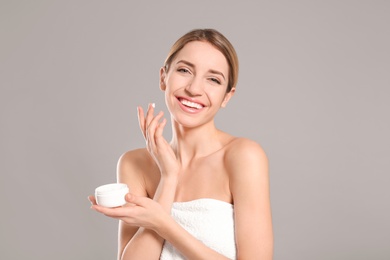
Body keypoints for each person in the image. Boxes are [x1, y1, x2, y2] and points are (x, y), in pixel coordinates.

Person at [89, 28, 273, 260]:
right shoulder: (134, 163)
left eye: (213, 79)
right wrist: (169, 177)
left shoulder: (243, 156)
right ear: (163, 77)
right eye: (185, 70)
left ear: (227, 96)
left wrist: (164, 225)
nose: (194, 89)